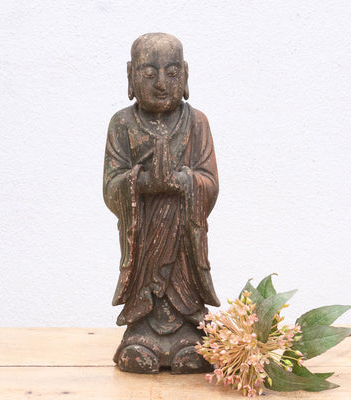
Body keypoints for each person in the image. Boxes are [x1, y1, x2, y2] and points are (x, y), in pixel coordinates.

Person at [103, 33, 220, 373]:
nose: (161, 84)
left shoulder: (197, 122)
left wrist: (182, 182)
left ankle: (188, 334)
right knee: (144, 305)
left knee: (185, 301)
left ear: (185, 74)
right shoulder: (122, 124)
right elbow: (111, 186)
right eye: (149, 73)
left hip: (184, 238)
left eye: (171, 72)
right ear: (130, 76)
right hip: (144, 239)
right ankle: (142, 334)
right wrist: (142, 184)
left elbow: (210, 183)